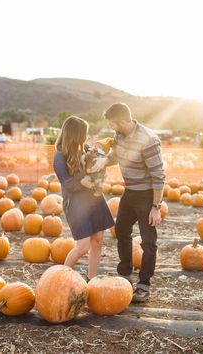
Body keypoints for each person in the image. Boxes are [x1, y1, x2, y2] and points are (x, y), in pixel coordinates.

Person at [89, 103, 165, 302]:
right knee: (121, 230)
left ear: (123, 121)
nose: (111, 127)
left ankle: (144, 285)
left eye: (113, 124)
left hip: (147, 195)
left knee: (148, 241)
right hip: (130, 192)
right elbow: (119, 155)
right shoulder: (120, 136)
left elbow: (158, 176)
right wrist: (105, 160)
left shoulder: (148, 140)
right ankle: (124, 274)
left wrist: (156, 207)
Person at [53, 116, 115, 281]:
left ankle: (92, 280)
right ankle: (60, 279)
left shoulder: (85, 150)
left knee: (98, 241)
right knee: (82, 246)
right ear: (75, 135)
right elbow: (69, 185)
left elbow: (96, 169)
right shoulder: (60, 157)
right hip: (76, 205)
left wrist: (99, 168)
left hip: (95, 200)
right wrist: (86, 183)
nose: (85, 138)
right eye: (83, 134)